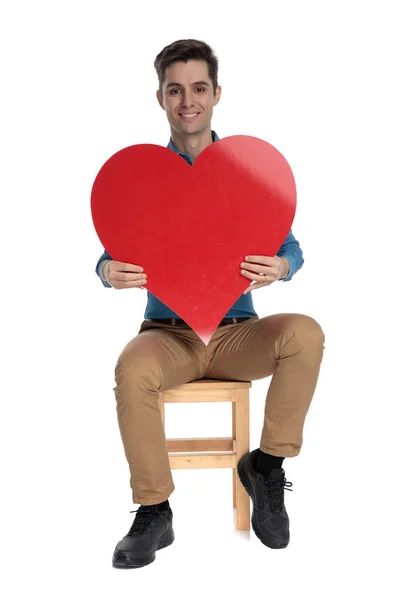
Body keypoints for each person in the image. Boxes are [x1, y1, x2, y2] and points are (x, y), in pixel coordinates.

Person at [95, 39, 325, 569]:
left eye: (198, 88)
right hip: (168, 333)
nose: (187, 101)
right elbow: (110, 251)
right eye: (175, 90)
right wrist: (108, 272)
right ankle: (154, 510)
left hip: (235, 333)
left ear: (216, 93)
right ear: (160, 98)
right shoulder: (144, 180)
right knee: (132, 368)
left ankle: (265, 466)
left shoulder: (245, 173)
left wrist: (283, 266)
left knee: (305, 333)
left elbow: (289, 244)